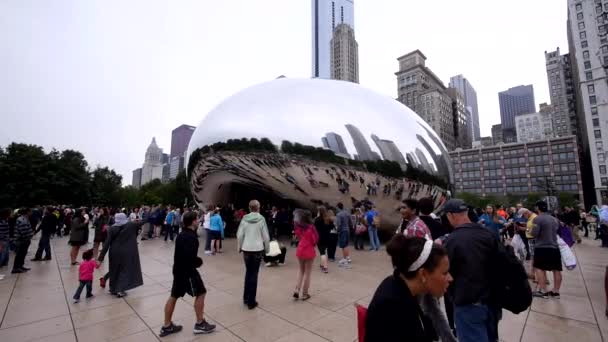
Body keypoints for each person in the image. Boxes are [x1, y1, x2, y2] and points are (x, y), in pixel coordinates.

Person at [365, 235, 452, 342]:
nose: (450, 278)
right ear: (423, 274)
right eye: (445, 273)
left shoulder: (410, 292)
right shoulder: (391, 307)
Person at [444, 199, 502, 342]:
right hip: (492, 303)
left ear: (451, 215)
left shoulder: (452, 240)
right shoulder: (487, 234)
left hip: (468, 305)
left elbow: (446, 272)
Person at [160, 211, 216, 337]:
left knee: (173, 296)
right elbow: (189, 257)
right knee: (201, 292)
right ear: (193, 221)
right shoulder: (191, 237)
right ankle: (200, 324)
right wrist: (198, 261)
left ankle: (167, 326)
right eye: (197, 219)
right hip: (188, 272)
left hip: (178, 270)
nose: (199, 220)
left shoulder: (181, 234)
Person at [97, 213, 144, 297]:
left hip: (114, 252)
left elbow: (106, 244)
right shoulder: (130, 225)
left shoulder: (111, 229)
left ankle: (113, 289)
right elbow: (143, 221)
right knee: (124, 270)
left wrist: (100, 259)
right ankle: (120, 290)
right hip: (125, 252)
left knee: (114, 269)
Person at [236, 200, 270, 309]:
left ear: (249, 208)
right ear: (258, 207)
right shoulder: (261, 219)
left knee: (248, 272)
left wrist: (240, 247)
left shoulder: (244, 219)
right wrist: (267, 249)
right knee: (254, 274)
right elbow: (266, 237)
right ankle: (251, 301)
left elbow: (240, 235)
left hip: (246, 249)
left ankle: (246, 298)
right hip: (257, 250)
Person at [530, 201, 562, 299]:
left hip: (542, 247)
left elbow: (534, 234)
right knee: (556, 269)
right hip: (554, 246)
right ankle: (556, 292)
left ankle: (544, 291)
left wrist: (528, 230)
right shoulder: (554, 219)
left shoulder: (537, 219)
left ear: (537, 208)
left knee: (540, 268)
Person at [293, 209, 319, 301]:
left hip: (300, 249)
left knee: (301, 271)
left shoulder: (298, 226)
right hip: (309, 250)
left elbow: (297, 236)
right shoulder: (311, 227)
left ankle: (297, 290)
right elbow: (315, 239)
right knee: (308, 273)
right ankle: (305, 294)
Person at [12, 208, 33, 274]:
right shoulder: (22, 219)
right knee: (19, 254)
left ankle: (20, 266)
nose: (31, 213)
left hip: (24, 240)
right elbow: (23, 231)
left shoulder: (25, 219)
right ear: (27, 212)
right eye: (30, 212)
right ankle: (16, 268)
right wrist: (27, 237)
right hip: (22, 240)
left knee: (23, 254)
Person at [314, 206, 333, 273]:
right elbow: (332, 227)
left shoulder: (317, 219)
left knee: (322, 253)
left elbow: (314, 229)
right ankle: (322, 264)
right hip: (328, 237)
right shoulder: (328, 219)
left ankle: (325, 267)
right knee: (324, 251)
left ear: (319, 211)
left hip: (320, 238)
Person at [335, 203, 352, 268]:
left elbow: (338, 224)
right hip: (347, 230)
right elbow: (350, 222)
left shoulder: (338, 215)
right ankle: (348, 257)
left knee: (343, 245)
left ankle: (344, 259)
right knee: (346, 244)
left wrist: (337, 230)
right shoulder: (347, 213)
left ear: (338, 207)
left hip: (342, 231)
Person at [0, 208, 11, 278]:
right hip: (2, 241)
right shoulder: (2, 222)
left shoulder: (5, 220)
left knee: (5, 256)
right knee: (2, 256)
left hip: (5, 240)